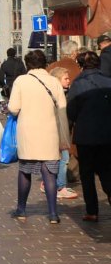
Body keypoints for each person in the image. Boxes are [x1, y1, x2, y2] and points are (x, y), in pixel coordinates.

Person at [8, 49, 70, 224]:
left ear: (28, 64)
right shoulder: (54, 81)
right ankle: (53, 213)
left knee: (25, 171)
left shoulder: (21, 81)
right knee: (49, 173)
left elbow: (13, 107)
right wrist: (64, 136)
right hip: (50, 132)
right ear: (45, 63)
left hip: (28, 132)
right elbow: (62, 108)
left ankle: (21, 209)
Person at [67, 50, 111, 222]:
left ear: (81, 65)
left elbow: (71, 110)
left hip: (86, 135)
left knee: (87, 174)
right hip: (107, 133)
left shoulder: (78, 83)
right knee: (107, 169)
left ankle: (92, 210)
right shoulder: (108, 80)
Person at [44, 67, 78, 200]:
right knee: (63, 159)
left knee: (57, 159)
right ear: (57, 80)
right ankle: (60, 187)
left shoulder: (63, 93)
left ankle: (50, 183)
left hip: (59, 131)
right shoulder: (60, 95)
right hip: (58, 131)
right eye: (66, 78)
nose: (69, 81)